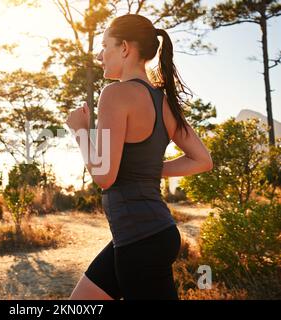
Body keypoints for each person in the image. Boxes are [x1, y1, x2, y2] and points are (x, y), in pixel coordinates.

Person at [65, 13, 213, 300]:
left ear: (124, 48)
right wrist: (148, 170)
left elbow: (104, 176)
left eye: (104, 46)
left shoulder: (115, 94)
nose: (99, 56)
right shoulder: (163, 101)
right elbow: (202, 160)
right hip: (152, 233)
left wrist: (81, 131)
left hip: (140, 240)